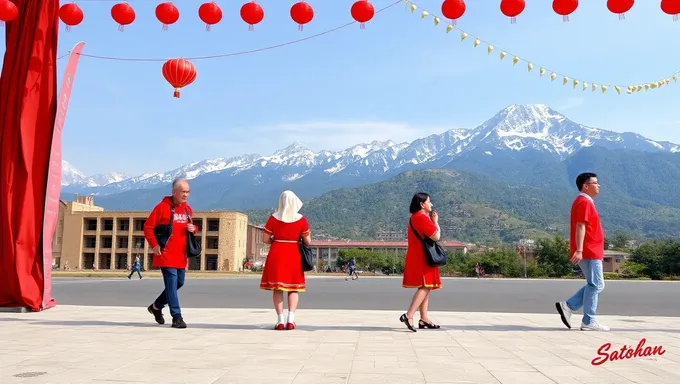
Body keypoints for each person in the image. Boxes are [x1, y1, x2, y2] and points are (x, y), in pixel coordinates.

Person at [555, 172, 609, 331]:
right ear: (586, 186)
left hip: (591, 250)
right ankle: (588, 320)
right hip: (589, 250)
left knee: (596, 284)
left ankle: (569, 306)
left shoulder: (586, 202)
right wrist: (579, 250)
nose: (598, 186)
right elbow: (580, 226)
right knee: (596, 284)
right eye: (595, 183)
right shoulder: (584, 202)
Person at [143, 178, 197, 329]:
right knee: (172, 284)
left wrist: (194, 229)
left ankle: (156, 306)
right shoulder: (162, 207)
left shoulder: (187, 209)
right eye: (183, 192)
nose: (185, 195)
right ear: (174, 192)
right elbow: (148, 227)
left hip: (181, 254)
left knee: (179, 282)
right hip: (165, 253)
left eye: (187, 192)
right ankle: (177, 317)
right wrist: (154, 245)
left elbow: (190, 227)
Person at [260, 190, 311, 330]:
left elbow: (265, 239)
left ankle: (280, 320)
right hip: (294, 253)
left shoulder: (273, 218)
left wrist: (275, 240)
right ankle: (291, 319)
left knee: (278, 288)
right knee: (293, 287)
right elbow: (308, 241)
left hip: (277, 253)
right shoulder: (301, 219)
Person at [400, 192, 442, 332]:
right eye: (429, 202)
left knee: (426, 286)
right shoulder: (421, 218)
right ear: (422, 204)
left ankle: (424, 318)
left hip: (418, 255)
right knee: (425, 286)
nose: (431, 204)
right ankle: (409, 315)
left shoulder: (415, 218)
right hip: (423, 257)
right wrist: (435, 222)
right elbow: (436, 236)